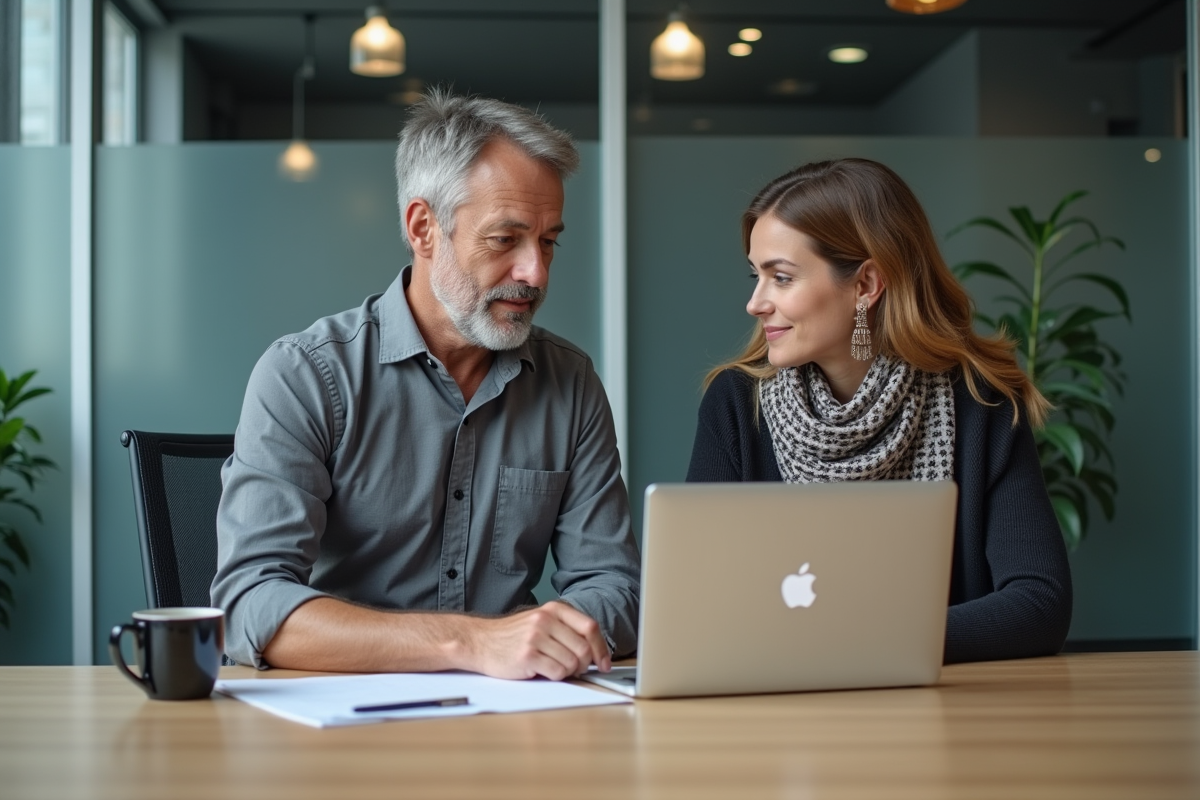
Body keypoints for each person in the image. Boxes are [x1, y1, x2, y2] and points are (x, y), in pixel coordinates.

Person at [212, 90, 639, 680]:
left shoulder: (570, 383)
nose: (535, 273)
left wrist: (544, 640)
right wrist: (470, 644)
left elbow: (613, 585)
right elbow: (248, 604)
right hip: (342, 725)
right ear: (423, 228)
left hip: (520, 720)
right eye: (504, 239)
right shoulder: (306, 375)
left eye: (548, 241)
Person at [687, 158, 1071, 664]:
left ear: (866, 285)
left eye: (781, 278)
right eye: (756, 276)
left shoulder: (981, 402)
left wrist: (856, 640)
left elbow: (1039, 604)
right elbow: (696, 603)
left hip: (949, 713)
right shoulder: (738, 402)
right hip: (779, 709)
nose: (755, 302)